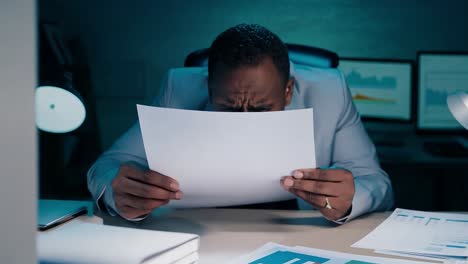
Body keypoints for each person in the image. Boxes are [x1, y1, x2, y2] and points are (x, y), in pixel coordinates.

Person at [87, 24, 393, 223]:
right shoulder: (177, 87)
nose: (246, 124)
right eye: (230, 107)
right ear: (209, 88)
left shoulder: (330, 92)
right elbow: (108, 165)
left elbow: (376, 182)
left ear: (288, 90)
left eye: (261, 108)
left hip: (297, 231)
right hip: (197, 231)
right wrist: (119, 192)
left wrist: (349, 200)